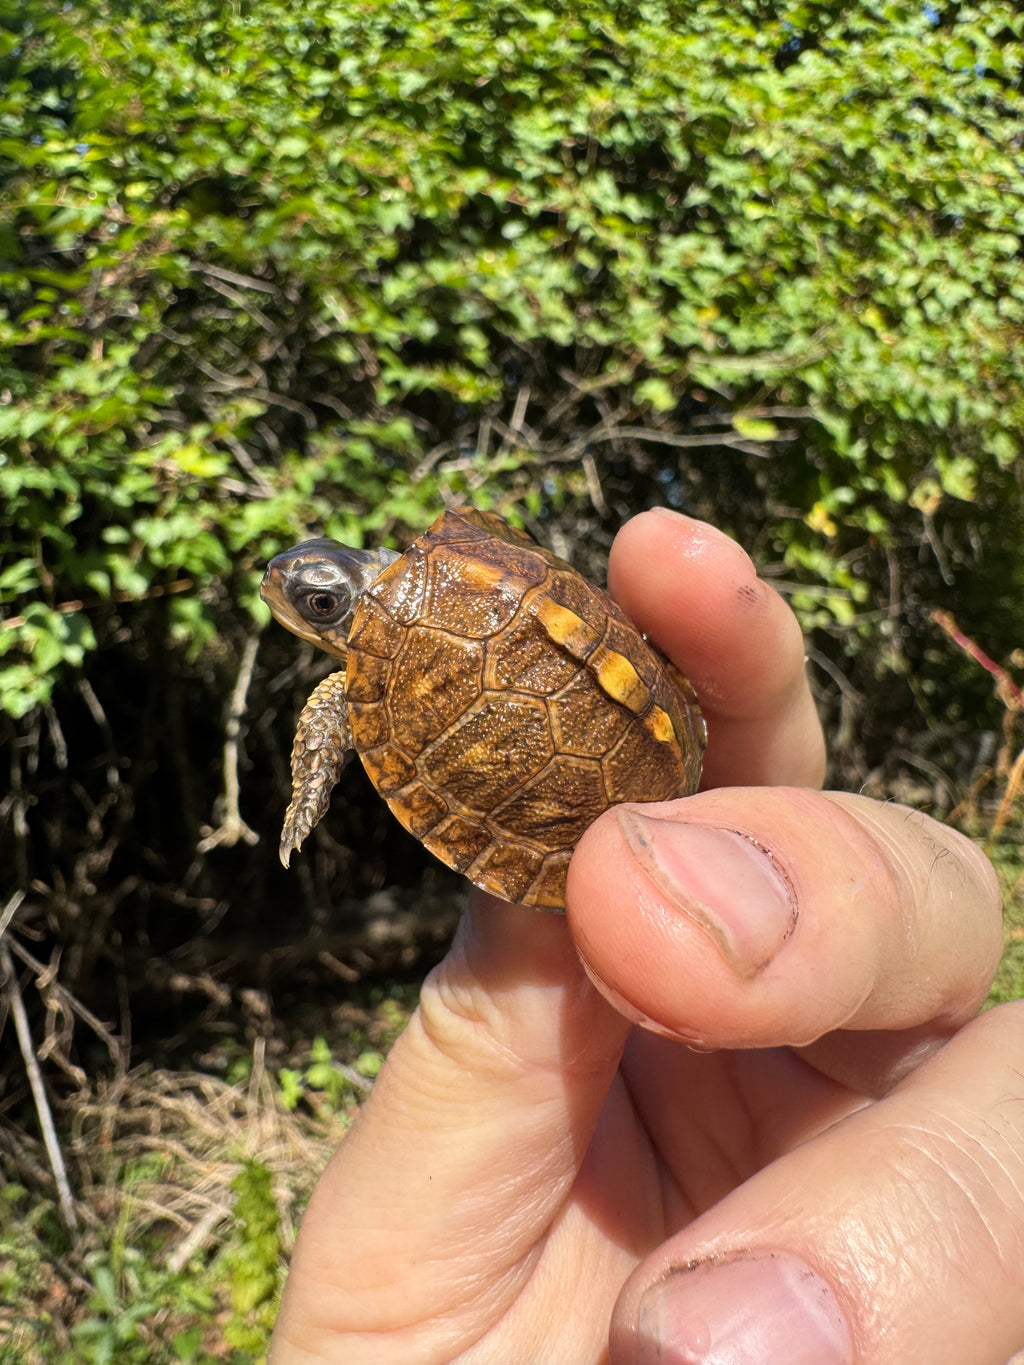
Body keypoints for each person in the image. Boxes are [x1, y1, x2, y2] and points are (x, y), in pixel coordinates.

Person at [269, 509, 1020, 1365]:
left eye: (320, 596)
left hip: (610, 838)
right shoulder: (455, 546)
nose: (297, 594)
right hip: (650, 759)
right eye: (316, 599)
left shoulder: (357, 679)